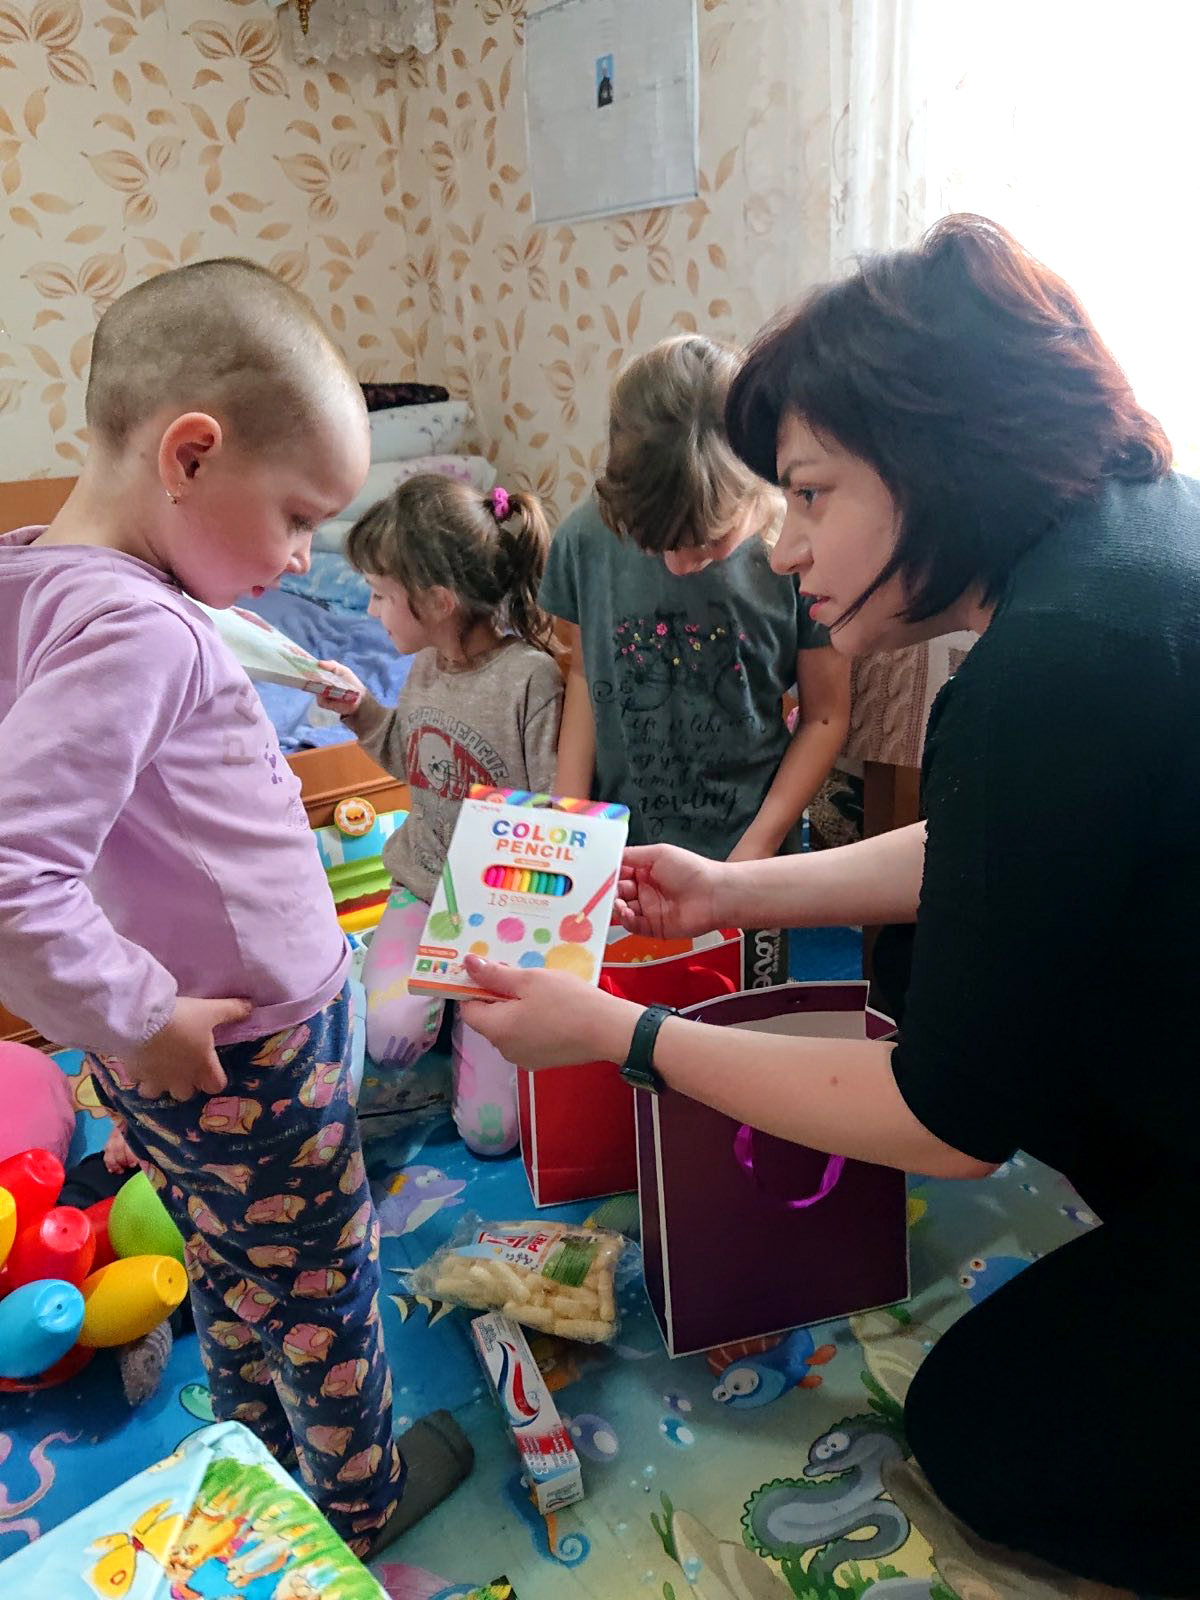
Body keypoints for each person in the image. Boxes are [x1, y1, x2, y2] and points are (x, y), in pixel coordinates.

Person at [458, 216, 1200, 1594]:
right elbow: (996, 853)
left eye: (809, 495)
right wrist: (732, 887)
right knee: (930, 973)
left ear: (937, 459)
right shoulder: (1135, 534)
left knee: (979, 1434)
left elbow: (946, 1124)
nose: (788, 548)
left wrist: (623, 1033)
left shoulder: (1051, 664)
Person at [0, 259, 472, 1557]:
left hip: (195, 1050)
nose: (303, 556)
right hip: (240, 1048)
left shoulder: (55, 582)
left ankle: (258, 1447)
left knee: (233, 1257)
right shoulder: (136, 631)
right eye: (298, 517)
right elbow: (13, 873)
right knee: (325, 1279)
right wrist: (137, 1013)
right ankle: (360, 1502)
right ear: (191, 456)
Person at [317, 475, 562, 1156]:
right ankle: (422, 996)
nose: (371, 610)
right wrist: (361, 710)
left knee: (492, 1135)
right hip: (422, 888)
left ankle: (456, 1009)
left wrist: (500, 943)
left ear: (437, 600)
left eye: (380, 594)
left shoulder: (531, 680)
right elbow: (415, 757)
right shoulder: (425, 665)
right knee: (388, 1039)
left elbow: (553, 817)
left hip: (496, 913)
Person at [542, 334, 850, 866]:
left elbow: (824, 718)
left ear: (760, 482)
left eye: (707, 541)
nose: (679, 564)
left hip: (746, 853)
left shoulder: (802, 559)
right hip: (619, 852)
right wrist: (569, 822)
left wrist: (755, 847)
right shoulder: (585, 540)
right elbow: (586, 676)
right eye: (654, 542)